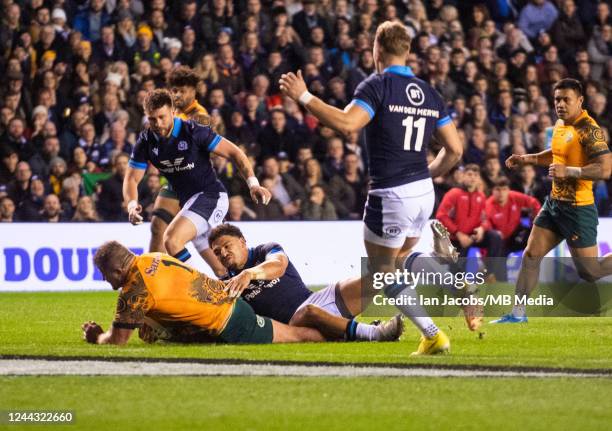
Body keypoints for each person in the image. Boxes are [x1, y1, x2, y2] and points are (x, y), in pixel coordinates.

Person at [280, 21, 463, 355]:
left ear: (376, 49)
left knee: (381, 270)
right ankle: (449, 278)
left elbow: (348, 124)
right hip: (423, 193)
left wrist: (304, 96)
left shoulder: (377, 85)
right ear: (407, 51)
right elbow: (455, 149)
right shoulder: (429, 92)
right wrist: (425, 173)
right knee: (401, 257)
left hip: (392, 193)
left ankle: (433, 334)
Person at [492, 78, 611, 323]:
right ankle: (517, 314)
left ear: (579, 100)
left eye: (566, 99)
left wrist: (570, 171)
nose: (560, 104)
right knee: (531, 256)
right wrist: (527, 158)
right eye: (557, 99)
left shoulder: (589, 129)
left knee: (590, 272)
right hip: (554, 204)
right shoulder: (559, 124)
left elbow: (606, 168)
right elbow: (555, 154)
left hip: (578, 209)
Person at [124, 89, 271, 274]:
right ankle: (244, 296)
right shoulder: (146, 141)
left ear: (173, 112)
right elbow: (131, 178)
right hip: (190, 206)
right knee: (223, 272)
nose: (158, 124)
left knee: (171, 239)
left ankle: (197, 288)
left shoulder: (193, 132)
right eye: (152, 119)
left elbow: (235, 152)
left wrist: (253, 183)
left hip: (211, 197)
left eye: (162, 117)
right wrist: (131, 204)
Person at [81, 240, 323, 345]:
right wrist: (150, 320)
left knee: (297, 336)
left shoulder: (133, 291)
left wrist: (96, 336)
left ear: (118, 269)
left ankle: (348, 334)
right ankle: (343, 329)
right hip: (229, 304)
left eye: (105, 273)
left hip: (231, 322)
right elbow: (176, 293)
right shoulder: (150, 258)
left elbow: (117, 341)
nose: (104, 279)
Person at [206, 224, 403, 341]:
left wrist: (248, 274)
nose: (223, 253)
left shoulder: (265, 250)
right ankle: (375, 333)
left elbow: (279, 265)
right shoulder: (227, 284)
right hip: (295, 321)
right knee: (309, 311)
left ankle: (427, 260)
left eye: (226, 246)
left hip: (319, 298)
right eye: (217, 252)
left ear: (242, 241)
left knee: (379, 274)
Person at [147, 67, 224, 274]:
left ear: (193, 92)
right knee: (157, 227)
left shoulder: (200, 117)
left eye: (182, 91)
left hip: (198, 182)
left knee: (214, 248)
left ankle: (228, 279)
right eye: (174, 90)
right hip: (175, 181)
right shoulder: (171, 114)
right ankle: (152, 281)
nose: (177, 95)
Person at [436, 164, 505, 281]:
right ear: (463, 176)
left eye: (476, 175)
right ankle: (458, 283)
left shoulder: (481, 196)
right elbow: (441, 215)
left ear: (479, 179)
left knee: (495, 237)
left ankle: (489, 273)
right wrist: (457, 233)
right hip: (455, 239)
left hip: (472, 236)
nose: (472, 178)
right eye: (469, 174)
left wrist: (482, 229)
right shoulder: (454, 193)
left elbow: (486, 219)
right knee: (457, 276)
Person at [485, 176, 542, 277]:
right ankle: (493, 276)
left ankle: (531, 272)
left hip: (516, 234)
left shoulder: (514, 196)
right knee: (500, 276)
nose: (501, 193)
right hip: (500, 240)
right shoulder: (488, 205)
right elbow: (486, 224)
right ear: (492, 191)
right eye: (498, 189)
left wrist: (535, 221)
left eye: (504, 189)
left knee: (535, 237)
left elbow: (534, 203)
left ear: (508, 190)